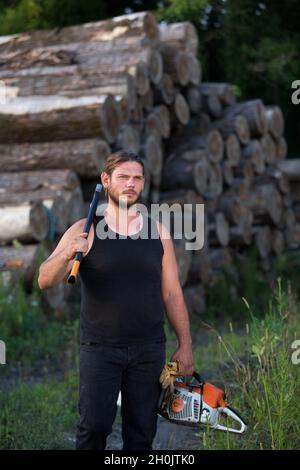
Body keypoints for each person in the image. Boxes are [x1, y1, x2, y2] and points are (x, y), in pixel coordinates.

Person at [38, 150, 194, 450]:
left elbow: (172, 292)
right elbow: (44, 279)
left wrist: (185, 344)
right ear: (106, 180)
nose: (131, 184)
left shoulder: (158, 232)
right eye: (123, 177)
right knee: (94, 430)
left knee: (141, 434)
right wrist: (69, 251)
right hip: (100, 348)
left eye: (137, 178)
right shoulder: (86, 229)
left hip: (149, 349)